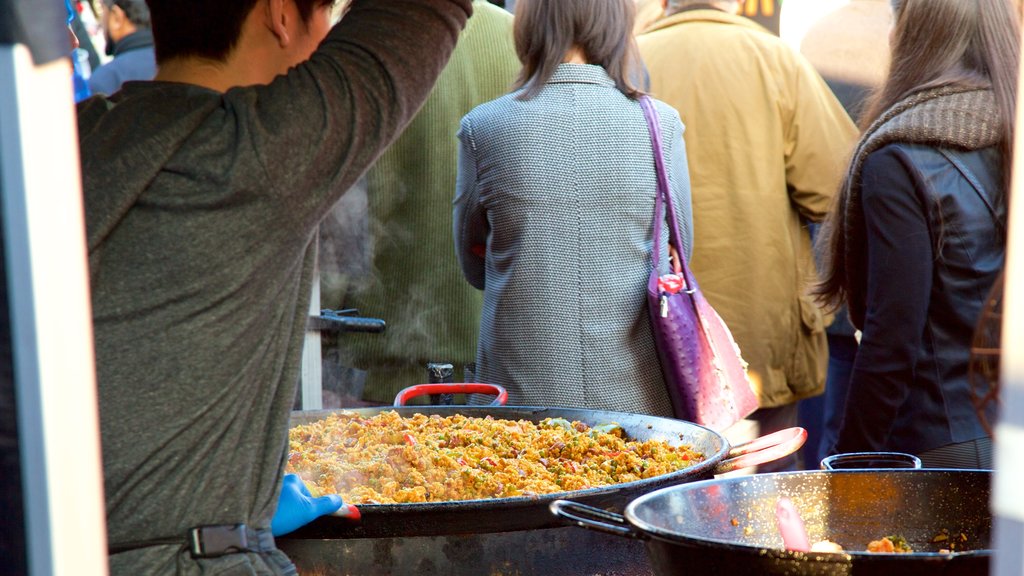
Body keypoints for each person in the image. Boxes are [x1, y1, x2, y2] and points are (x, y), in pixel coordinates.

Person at [75, 0, 471, 574]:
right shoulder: (254, 149)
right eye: (329, 15)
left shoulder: (68, 143)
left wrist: (236, 491)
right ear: (282, 14)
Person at [637, 0, 857, 469]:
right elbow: (840, 190)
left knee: (658, 488)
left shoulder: (629, 62)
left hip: (656, 329)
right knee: (763, 501)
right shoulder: (775, 59)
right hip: (761, 333)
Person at [454, 0, 694, 416]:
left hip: (522, 391)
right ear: (617, 27)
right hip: (640, 396)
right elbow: (680, 253)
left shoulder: (485, 128)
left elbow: (473, 265)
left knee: (520, 478)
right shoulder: (661, 123)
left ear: (529, 27)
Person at [816, 0, 1019, 469]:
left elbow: (892, 342)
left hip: (946, 449)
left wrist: (849, 465)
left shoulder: (902, 156)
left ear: (913, 35)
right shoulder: (1013, 132)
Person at [321, 0, 521, 404]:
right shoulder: (518, 37)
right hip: (497, 360)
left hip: (379, 357)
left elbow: (336, 217)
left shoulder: (354, 35)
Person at [788, 0, 893, 468]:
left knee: (816, 414)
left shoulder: (818, 35)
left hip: (820, 265)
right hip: (878, 261)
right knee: (853, 416)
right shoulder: (893, 34)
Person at [88, 0, 156, 95]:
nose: (100, 23)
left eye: (102, 11)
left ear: (116, 17)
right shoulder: (175, 63)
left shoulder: (106, 80)